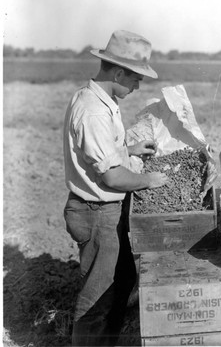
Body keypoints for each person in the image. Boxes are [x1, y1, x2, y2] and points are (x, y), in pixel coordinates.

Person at [62, 30, 169, 346]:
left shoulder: (101, 100)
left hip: (106, 211)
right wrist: (148, 180)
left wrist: (130, 152)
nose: (137, 86)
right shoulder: (94, 111)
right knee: (96, 299)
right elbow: (111, 177)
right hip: (96, 214)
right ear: (119, 72)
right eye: (136, 79)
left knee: (121, 282)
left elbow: (103, 154)